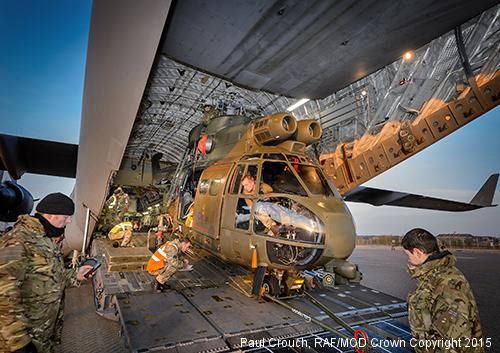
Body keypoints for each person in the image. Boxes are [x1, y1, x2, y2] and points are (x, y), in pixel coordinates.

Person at [0, 193, 94, 353]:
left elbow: (51, 276)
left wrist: (75, 274)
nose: (69, 221)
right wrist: (18, 343)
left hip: (43, 333)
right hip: (24, 338)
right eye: (66, 216)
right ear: (50, 215)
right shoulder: (18, 240)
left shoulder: (45, 240)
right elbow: (3, 294)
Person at [401, 228, 483, 353]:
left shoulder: (446, 284)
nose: (408, 261)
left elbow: (453, 344)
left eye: (408, 255)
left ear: (417, 252)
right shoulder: (436, 275)